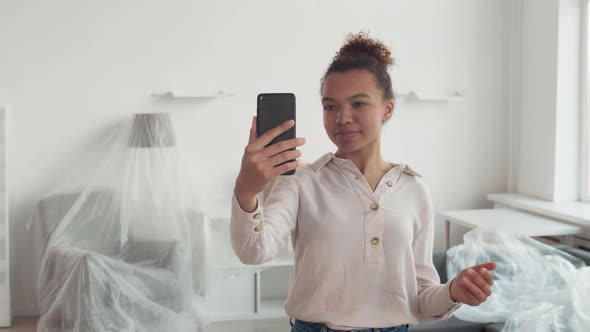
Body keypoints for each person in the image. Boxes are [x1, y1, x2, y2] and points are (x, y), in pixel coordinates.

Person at [230, 32, 495, 332]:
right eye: (330, 106)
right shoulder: (301, 182)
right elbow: (253, 252)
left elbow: (421, 301)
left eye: (358, 104)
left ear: (388, 109)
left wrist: (452, 292)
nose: (342, 118)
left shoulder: (414, 191)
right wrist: (246, 189)